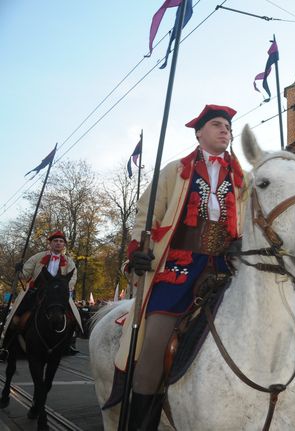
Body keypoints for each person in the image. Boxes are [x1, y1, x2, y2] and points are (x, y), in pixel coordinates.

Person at [109, 104, 248, 429]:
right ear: (199, 133)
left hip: (225, 266)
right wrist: (138, 252)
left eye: (227, 126)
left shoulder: (242, 179)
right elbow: (147, 216)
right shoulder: (174, 171)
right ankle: (140, 421)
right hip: (179, 267)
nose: (224, 129)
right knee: (155, 342)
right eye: (216, 124)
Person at [1, 231, 80, 346]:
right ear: (50, 244)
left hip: (58, 294)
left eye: (61, 241)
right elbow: (25, 275)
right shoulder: (37, 257)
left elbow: (73, 278)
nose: (58, 243)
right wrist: (19, 269)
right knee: (14, 318)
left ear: (64, 245)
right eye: (55, 241)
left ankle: (68, 343)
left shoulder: (69, 262)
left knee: (74, 318)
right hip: (36, 292)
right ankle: (7, 345)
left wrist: (63, 288)